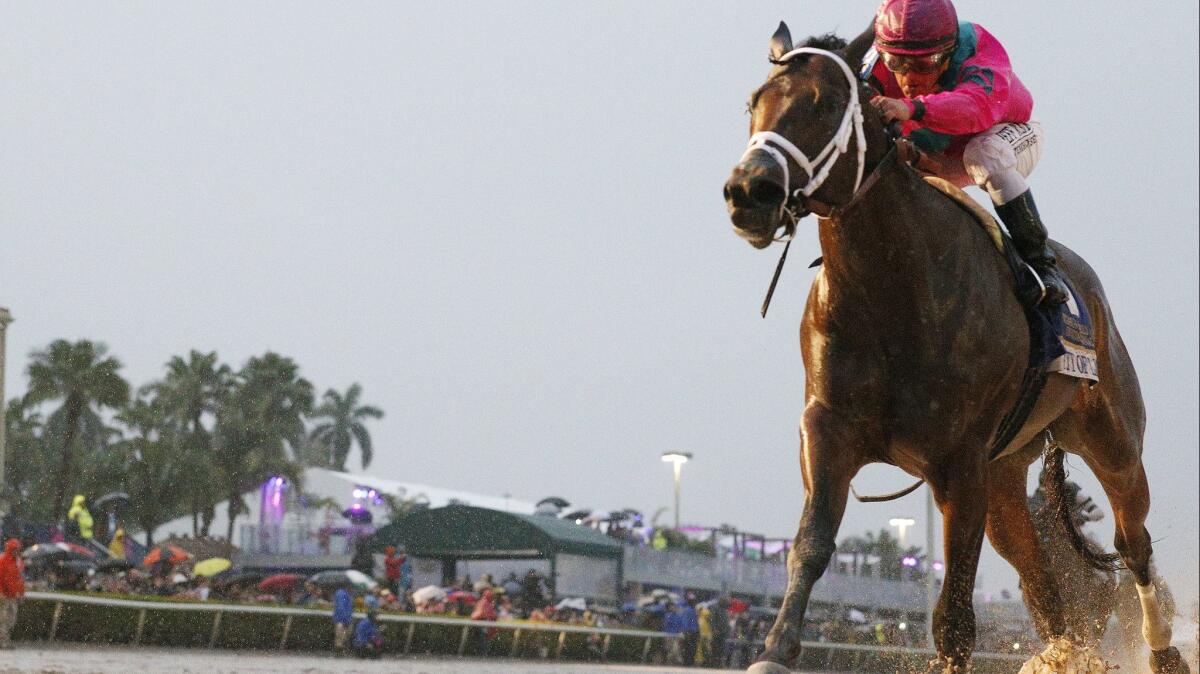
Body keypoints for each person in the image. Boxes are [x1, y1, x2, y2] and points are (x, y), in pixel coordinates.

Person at [864, 0, 1068, 305]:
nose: (909, 78)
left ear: (948, 52)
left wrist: (912, 107)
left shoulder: (976, 47)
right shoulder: (873, 63)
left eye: (923, 64)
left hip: (1005, 134)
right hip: (934, 156)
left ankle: (1041, 266)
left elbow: (977, 107)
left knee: (984, 155)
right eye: (897, 64)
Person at [0, 539, 26, 649]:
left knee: (11, 620)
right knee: (3, 620)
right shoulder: (2, 561)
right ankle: (3, 642)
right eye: (14, 549)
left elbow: (19, 580)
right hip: (4, 596)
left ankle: (5, 640)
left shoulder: (17, 563)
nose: (16, 551)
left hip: (13, 597)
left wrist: (21, 593)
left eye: (17, 549)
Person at [332, 587, 353, 653]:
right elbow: (342, 607)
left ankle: (339, 649)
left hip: (341, 618)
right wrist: (345, 619)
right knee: (341, 636)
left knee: (340, 636)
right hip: (342, 619)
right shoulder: (342, 594)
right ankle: (339, 650)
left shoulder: (341, 593)